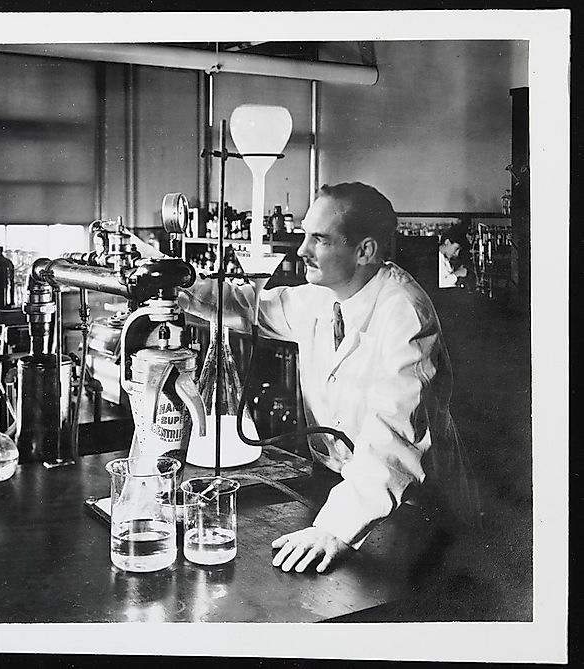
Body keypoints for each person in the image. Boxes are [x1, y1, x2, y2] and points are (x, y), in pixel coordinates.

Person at [178, 183, 480, 575]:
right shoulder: (324, 296)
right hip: (347, 489)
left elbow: (394, 436)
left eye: (318, 239)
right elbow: (247, 305)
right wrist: (178, 289)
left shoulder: (405, 314)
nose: (301, 250)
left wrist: (336, 529)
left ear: (365, 250)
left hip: (420, 509)